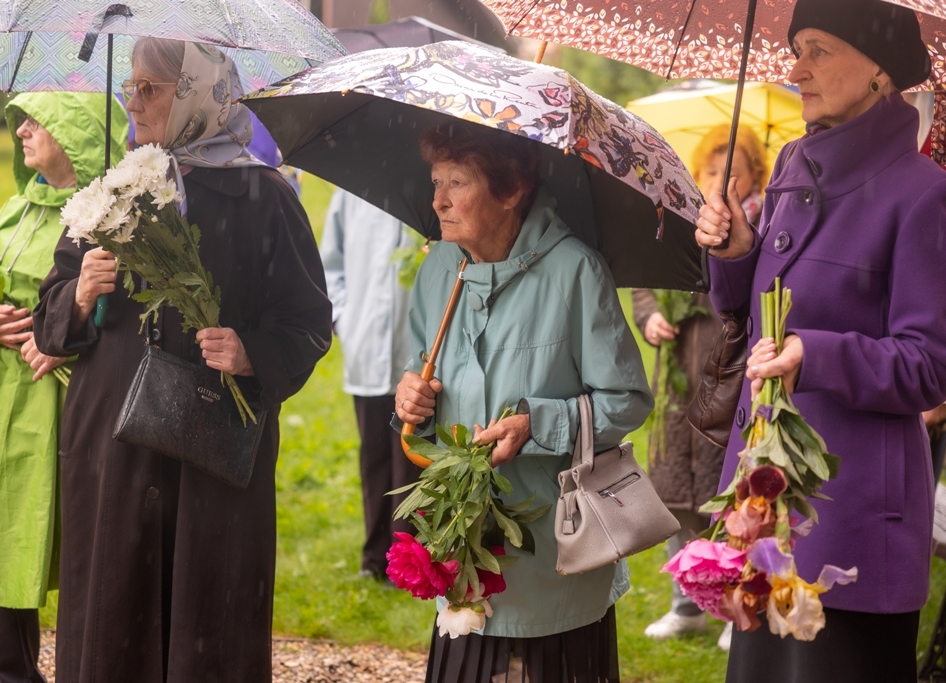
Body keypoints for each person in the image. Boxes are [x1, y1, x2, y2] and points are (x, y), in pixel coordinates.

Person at [32, 38, 332, 683]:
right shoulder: (111, 190)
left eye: (152, 89)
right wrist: (79, 294)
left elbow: (308, 323)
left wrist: (252, 353)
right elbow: (49, 316)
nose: (133, 103)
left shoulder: (265, 197)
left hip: (212, 443)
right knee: (113, 603)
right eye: (131, 87)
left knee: (209, 604)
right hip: (112, 440)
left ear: (197, 92)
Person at [694, 0, 946, 680]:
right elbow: (755, 321)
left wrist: (817, 354)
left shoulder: (924, 196)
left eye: (818, 48)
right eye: (795, 47)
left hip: (852, 519)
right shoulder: (792, 170)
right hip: (767, 505)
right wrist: (736, 250)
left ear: (880, 69)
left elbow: (931, 366)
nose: (797, 67)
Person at [395, 124, 653, 682]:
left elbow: (627, 400)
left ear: (511, 189)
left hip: (551, 561)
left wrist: (538, 424)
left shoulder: (575, 271)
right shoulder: (442, 266)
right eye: (435, 180)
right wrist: (410, 395)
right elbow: (420, 368)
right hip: (461, 547)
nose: (437, 199)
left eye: (457, 182)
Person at [0, 92, 126, 683]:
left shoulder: (107, 224)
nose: (21, 130)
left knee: (73, 545)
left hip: (66, 409)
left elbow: (123, 326)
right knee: (1, 533)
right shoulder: (11, 215)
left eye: (35, 120)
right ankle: (14, 673)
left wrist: (63, 334)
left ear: (74, 133)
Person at [633, 124, 767, 650]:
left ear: (755, 173)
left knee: (726, 488)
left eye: (735, 170)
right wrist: (650, 318)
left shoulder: (756, 225)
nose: (723, 178)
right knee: (675, 489)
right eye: (713, 171)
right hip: (678, 382)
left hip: (727, 375)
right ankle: (685, 604)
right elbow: (648, 279)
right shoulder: (686, 218)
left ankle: (735, 604)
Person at [320, 188, 417, 582]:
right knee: (374, 456)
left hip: (414, 352)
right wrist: (343, 317)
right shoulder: (350, 192)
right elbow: (330, 262)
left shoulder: (425, 190)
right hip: (366, 345)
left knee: (411, 458)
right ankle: (375, 558)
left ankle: (409, 563)